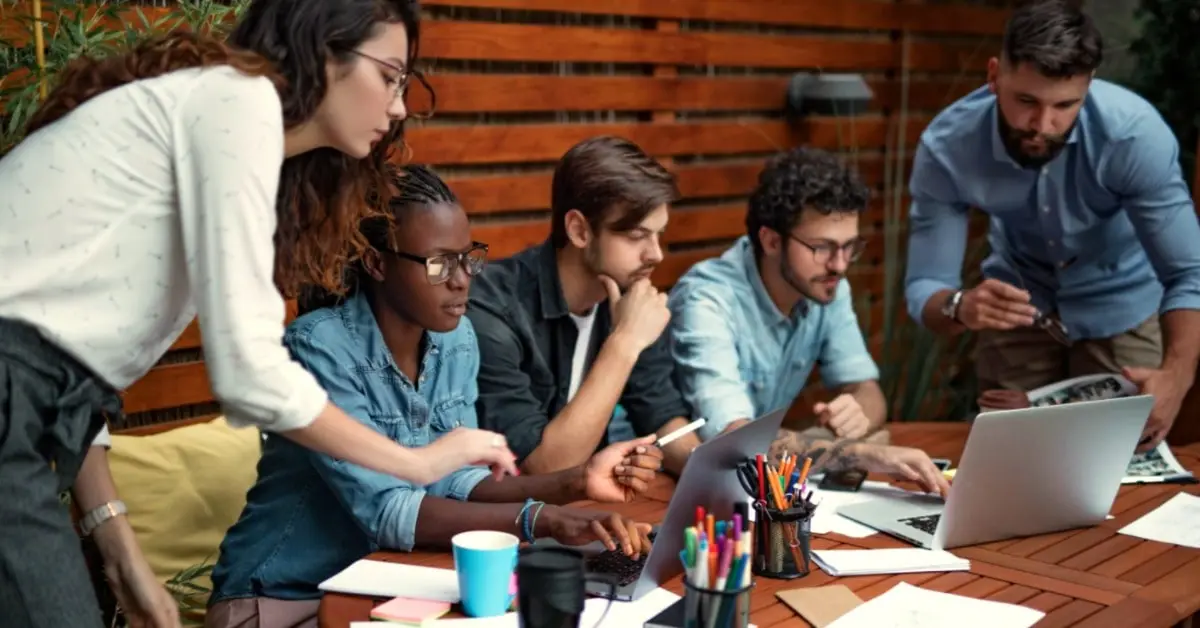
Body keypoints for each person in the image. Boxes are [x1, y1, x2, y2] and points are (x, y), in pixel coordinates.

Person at [0, 2, 517, 626]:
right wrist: (419, 460)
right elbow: (248, 374)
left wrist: (120, 551)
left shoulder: (231, 126)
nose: (400, 106)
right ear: (324, 52)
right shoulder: (234, 103)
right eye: (389, 76)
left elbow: (66, 377)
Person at [207, 165, 660, 627]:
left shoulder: (455, 339)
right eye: (440, 263)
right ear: (377, 262)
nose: (463, 279)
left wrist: (576, 482)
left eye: (468, 258)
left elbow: (455, 480)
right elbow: (391, 512)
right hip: (280, 597)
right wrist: (544, 519)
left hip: (384, 584)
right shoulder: (321, 347)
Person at [903, 0, 1200, 452]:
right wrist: (960, 306)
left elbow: (1189, 272)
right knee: (1008, 461)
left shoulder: (1134, 137)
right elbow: (927, 284)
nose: (1043, 125)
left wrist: (1176, 377)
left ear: (1089, 86)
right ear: (994, 75)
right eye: (1026, 101)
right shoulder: (949, 148)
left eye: (1065, 105)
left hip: (1122, 302)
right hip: (1018, 303)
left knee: (1115, 472)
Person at [669, 147, 950, 495]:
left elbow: (869, 393)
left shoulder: (825, 286)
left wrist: (856, 412)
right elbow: (735, 440)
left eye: (850, 247)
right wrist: (863, 454)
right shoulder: (707, 301)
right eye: (822, 247)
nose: (840, 265)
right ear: (771, 240)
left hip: (742, 485)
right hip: (656, 483)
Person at [468, 136, 702, 476]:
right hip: (506, 521)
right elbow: (544, 467)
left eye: (658, 234)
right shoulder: (494, 309)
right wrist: (623, 343)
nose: (656, 254)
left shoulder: (627, 296)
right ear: (579, 231)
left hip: (587, 510)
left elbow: (661, 413)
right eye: (637, 235)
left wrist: (708, 463)